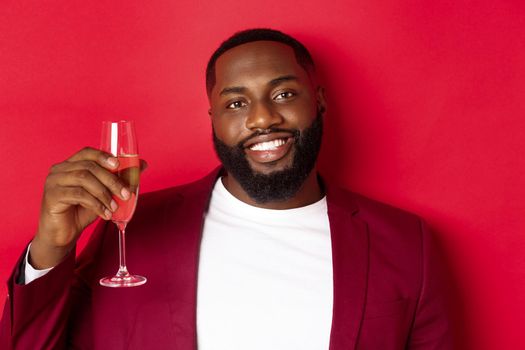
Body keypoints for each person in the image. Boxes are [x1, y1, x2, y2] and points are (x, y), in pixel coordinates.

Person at [0, 28, 452, 349]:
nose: (261, 119)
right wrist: (52, 247)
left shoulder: (407, 245)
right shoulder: (131, 228)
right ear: (213, 119)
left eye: (283, 94)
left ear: (319, 101)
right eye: (236, 102)